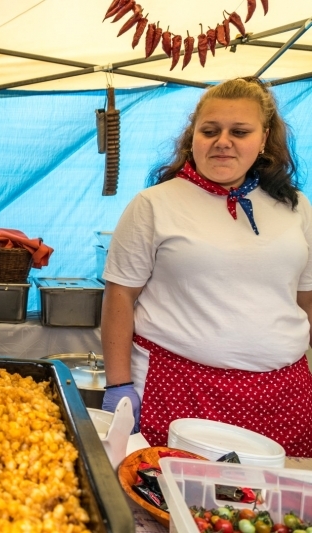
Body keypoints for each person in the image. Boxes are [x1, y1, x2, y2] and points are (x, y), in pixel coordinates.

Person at [100, 77, 312, 457]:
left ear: (263, 139)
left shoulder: (295, 207)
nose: (223, 141)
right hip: (179, 388)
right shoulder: (154, 204)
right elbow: (120, 295)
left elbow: (306, 299)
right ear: (192, 136)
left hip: (283, 395)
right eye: (210, 130)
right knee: (170, 506)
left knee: (272, 512)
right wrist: (118, 384)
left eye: (239, 131)